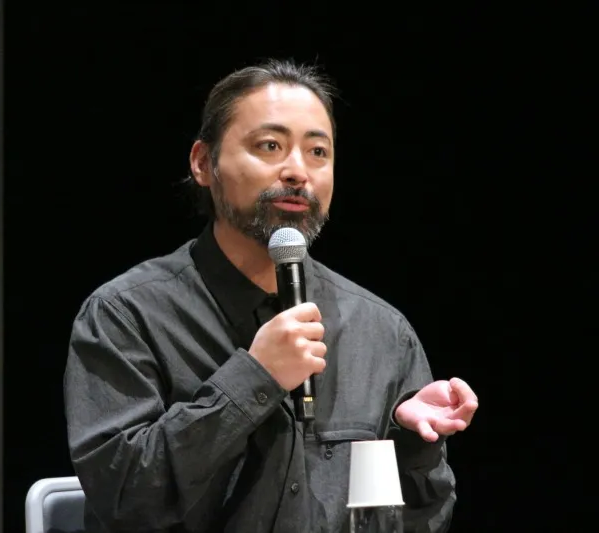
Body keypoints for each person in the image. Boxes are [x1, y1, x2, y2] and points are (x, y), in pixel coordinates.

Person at [64, 58, 479, 532]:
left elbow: (425, 520)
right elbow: (123, 500)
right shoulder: (126, 316)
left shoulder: (381, 332)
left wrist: (412, 441)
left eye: (318, 152)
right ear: (203, 163)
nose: (298, 171)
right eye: (269, 145)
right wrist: (255, 378)